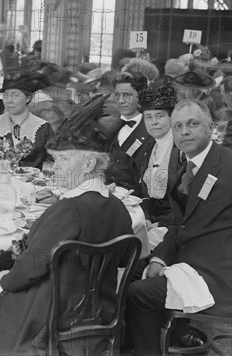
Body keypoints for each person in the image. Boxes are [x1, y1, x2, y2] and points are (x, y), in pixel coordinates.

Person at [0, 95, 134, 356]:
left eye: (63, 160)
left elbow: (31, 266)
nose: (54, 168)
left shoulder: (68, 210)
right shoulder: (118, 207)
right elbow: (120, 261)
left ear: (88, 164)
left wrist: (4, 278)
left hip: (52, 312)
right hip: (102, 310)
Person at [126, 100, 232, 355]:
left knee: (139, 293)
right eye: (178, 126)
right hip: (188, 262)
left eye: (193, 124)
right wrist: (160, 259)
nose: (184, 131)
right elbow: (178, 223)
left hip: (217, 273)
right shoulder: (187, 166)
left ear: (210, 127)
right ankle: (175, 334)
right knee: (128, 268)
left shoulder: (227, 164)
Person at [0, 67, 53, 170]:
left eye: (15, 95)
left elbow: (51, 162)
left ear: (28, 98)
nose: (9, 101)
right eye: (5, 95)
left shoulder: (43, 128)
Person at [134, 79, 182, 225]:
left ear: (171, 118)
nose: (153, 122)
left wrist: (162, 224)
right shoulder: (148, 148)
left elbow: (188, 200)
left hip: (176, 222)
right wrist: (147, 217)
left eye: (159, 116)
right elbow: (144, 192)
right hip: (151, 220)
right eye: (148, 117)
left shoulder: (182, 149)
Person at [105, 71, 152, 192]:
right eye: (117, 95)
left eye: (127, 95)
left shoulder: (151, 130)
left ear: (140, 96)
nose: (120, 101)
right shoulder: (106, 125)